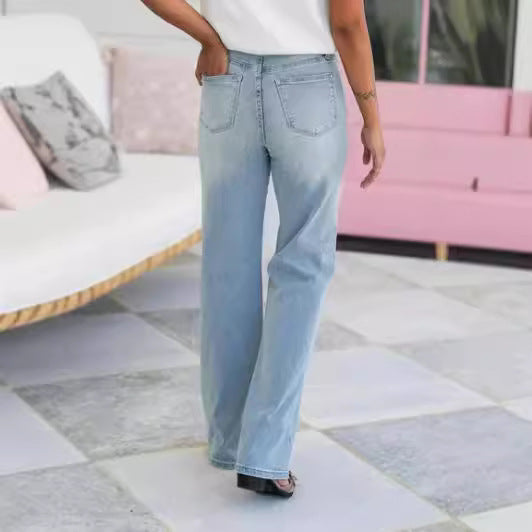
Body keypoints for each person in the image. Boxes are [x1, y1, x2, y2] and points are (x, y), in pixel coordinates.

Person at [140, 0, 385, 498]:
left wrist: (208, 38)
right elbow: (347, 22)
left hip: (226, 79)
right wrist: (371, 116)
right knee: (303, 265)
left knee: (226, 268)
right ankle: (265, 455)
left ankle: (230, 442)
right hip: (306, 88)